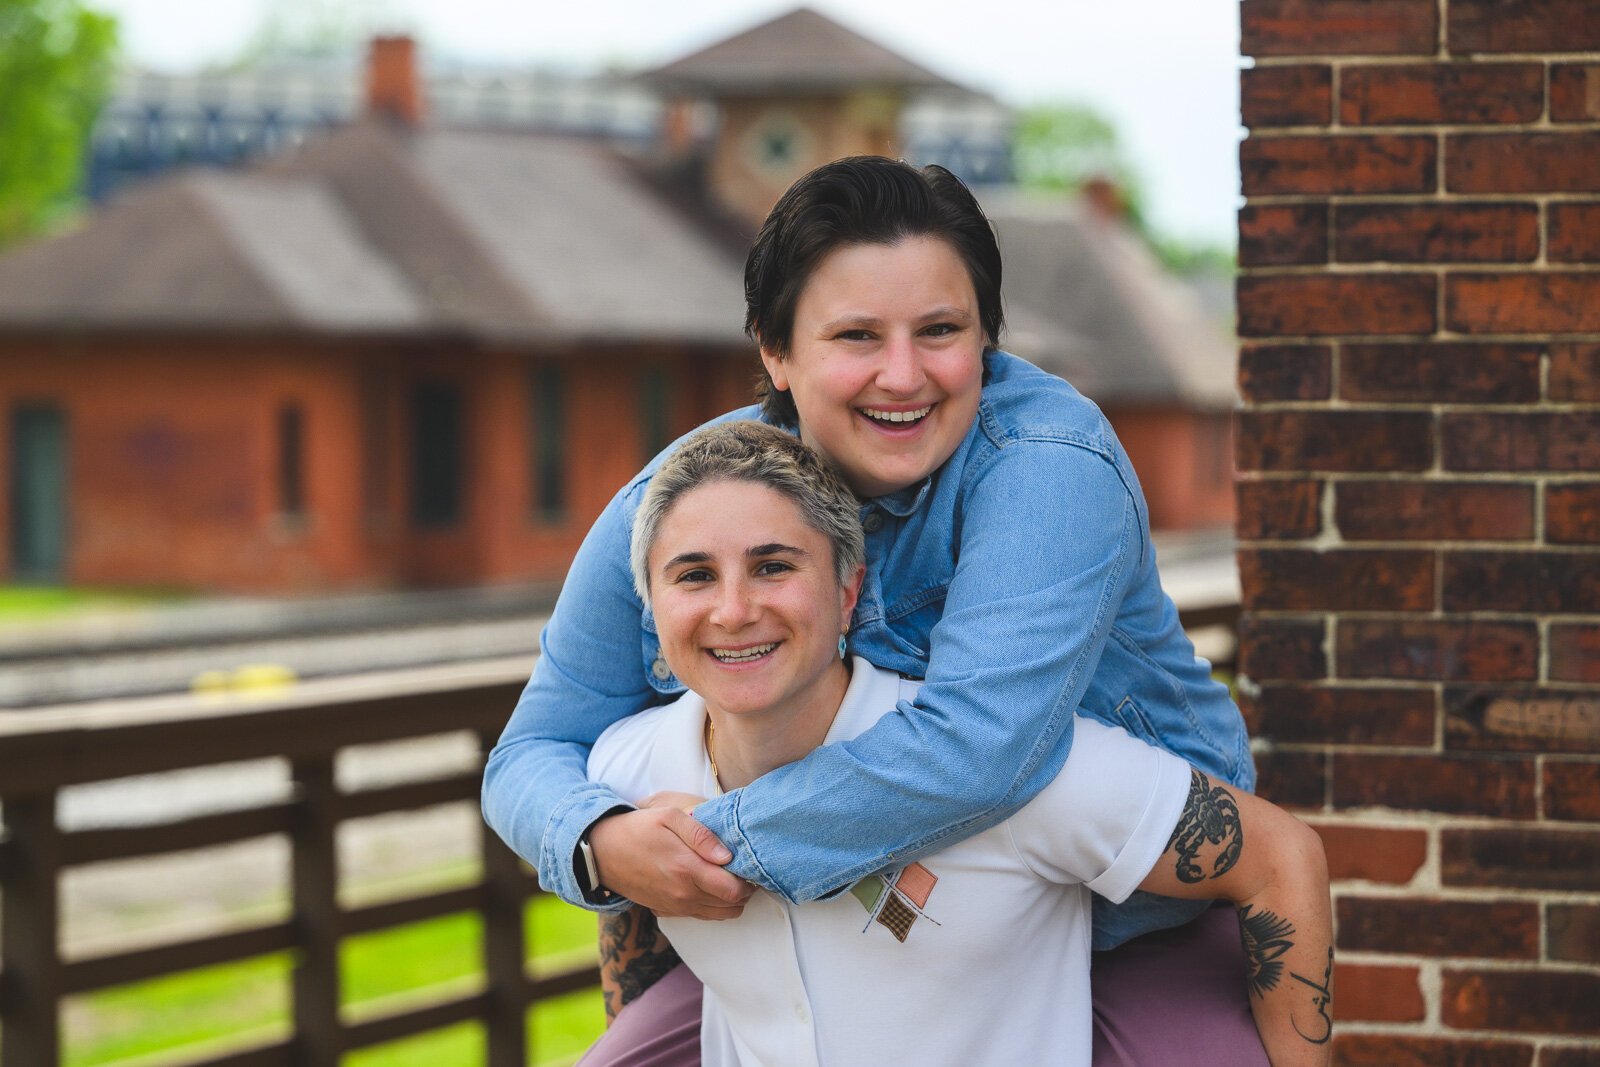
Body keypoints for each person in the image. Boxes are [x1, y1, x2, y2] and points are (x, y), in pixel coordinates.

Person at [483, 156, 1264, 1062]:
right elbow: (532, 748)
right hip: (842, 927)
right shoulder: (686, 503)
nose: (904, 375)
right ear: (775, 352)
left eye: (940, 330)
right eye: (856, 336)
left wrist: (708, 844)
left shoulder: (1049, 462)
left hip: (1128, 924)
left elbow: (979, 747)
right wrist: (602, 844)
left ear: (988, 342)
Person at [584, 420, 1332, 1067]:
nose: (734, 609)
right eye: (693, 576)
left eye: (774, 565)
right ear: (650, 603)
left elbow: (1281, 857)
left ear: (848, 589)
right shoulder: (628, 766)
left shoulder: (1007, 766)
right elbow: (627, 918)